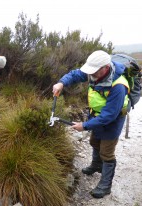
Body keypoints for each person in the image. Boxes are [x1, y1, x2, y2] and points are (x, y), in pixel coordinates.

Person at [52, 50, 129, 198]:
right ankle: (96, 165)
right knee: (94, 141)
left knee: (106, 151)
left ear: (105, 67)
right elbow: (75, 74)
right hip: (96, 116)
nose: (91, 74)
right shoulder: (94, 72)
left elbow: (109, 115)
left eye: (94, 71)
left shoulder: (119, 86)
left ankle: (105, 185)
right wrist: (61, 82)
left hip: (113, 120)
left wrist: (84, 125)